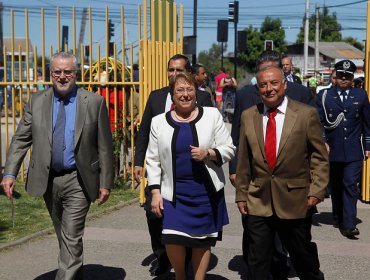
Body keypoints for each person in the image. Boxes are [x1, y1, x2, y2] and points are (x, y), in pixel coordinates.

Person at [0, 52, 114, 279]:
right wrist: (10, 172)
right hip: (48, 179)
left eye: (67, 72)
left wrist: (105, 183)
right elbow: (22, 138)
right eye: (57, 72)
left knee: (71, 235)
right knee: (63, 235)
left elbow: (104, 146)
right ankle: (74, 273)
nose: (62, 77)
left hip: (79, 179)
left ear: (76, 73)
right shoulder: (37, 100)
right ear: (51, 74)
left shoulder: (93, 102)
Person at [235, 65, 328, 280]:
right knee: (257, 261)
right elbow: (244, 159)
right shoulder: (249, 116)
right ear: (258, 89)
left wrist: (317, 189)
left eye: (274, 83)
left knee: (303, 258)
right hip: (259, 200)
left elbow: (319, 156)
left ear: (284, 85)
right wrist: (241, 193)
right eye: (263, 85)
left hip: (296, 199)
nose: (269, 89)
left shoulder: (306, 114)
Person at [146, 72, 235, 280]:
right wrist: (155, 192)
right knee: (171, 238)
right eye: (180, 90)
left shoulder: (212, 115)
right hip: (173, 193)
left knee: (202, 241)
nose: (185, 94)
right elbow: (153, 159)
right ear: (172, 94)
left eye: (189, 89)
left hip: (204, 192)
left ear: (196, 92)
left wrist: (209, 153)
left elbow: (229, 148)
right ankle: (180, 276)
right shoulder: (158, 122)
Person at [133, 54, 213, 276]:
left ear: (188, 72)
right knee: (154, 213)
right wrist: (139, 162)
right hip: (159, 168)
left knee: (185, 221)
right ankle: (162, 256)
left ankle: (185, 261)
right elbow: (144, 132)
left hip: (191, 170)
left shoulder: (203, 98)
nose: (174, 74)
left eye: (179, 70)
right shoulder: (156, 97)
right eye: (171, 70)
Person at [315, 59, 370, 238]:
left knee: (350, 185)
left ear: (352, 77)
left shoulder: (361, 95)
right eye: (341, 75)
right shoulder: (324, 96)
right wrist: (322, 141)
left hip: (354, 150)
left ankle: (349, 224)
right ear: (335, 77)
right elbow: (318, 123)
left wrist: (367, 145)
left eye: (347, 76)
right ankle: (338, 216)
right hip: (332, 149)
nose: (344, 79)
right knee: (336, 186)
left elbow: (367, 123)